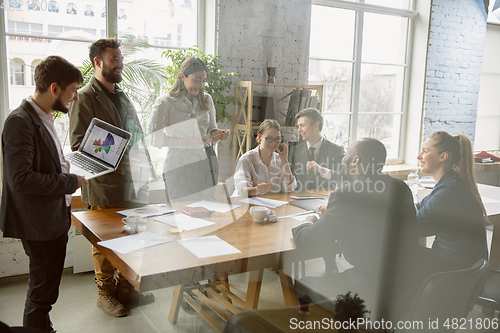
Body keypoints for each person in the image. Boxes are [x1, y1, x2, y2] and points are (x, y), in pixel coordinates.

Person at [0, 55, 88, 332]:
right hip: (39, 224)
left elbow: (44, 161)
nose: (75, 97)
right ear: (54, 88)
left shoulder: (44, 116)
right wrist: (69, 181)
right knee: (41, 294)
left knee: (45, 291)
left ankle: (41, 327)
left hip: (52, 217)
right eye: (73, 90)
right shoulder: (19, 122)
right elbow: (21, 179)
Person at [68, 38, 154, 317]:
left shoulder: (124, 96)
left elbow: (136, 134)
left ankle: (126, 290)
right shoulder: (83, 97)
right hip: (105, 185)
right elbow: (80, 145)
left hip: (134, 183)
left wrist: (143, 162)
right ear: (98, 62)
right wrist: (122, 164)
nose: (120, 63)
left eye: (121, 58)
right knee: (105, 242)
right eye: (114, 59)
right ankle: (105, 295)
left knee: (132, 237)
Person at [292, 138, 420, 321]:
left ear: (356, 160)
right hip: (403, 286)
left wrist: (307, 221)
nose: (342, 159)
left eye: (346, 155)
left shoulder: (346, 195)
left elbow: (308, 243)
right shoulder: (401, 188)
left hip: (368, 288)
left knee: (302, 284)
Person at [147, 57, 231, 202]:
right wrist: (186, 142)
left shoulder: (207, 99)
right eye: (196, 79)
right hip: (179, 163)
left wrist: (220, 134)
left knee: (206, 210)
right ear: (182, 76)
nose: (200, 85)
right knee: (182, 212)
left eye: (203, 80)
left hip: (207, 161)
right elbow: (154, 138)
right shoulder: (165, 102)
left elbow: (211, 131)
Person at [416, 131, 488, 272]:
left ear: (443, 156)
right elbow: (418, 207)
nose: (419, 156)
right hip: (457, 265)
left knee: (397, 257)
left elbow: (414, 222)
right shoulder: (449, 183)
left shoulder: (449, 191)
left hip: (456, 272)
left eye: (425, 151)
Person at [233, 119, 297, 197]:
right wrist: (257, 190)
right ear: (259, 138)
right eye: (269, 138)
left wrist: (285, 161)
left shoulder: (280, 159)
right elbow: (242, 190)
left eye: (277, 139)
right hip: (245, 205)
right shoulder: (246, 159)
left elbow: (290, 188)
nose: (273, 143)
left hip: (271, 205)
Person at [288, 108, 344, 191]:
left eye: (302, 126)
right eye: (298, 126)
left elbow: (343, 177)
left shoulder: (336, 150)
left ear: (315, 125)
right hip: (298, 199)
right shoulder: (295, 150)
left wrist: (322, 170)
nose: (299, 130)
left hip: (324, 200)